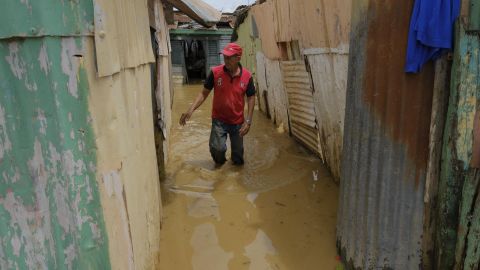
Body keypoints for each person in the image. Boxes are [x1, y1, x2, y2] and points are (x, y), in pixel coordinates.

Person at [179, 43, 256, 166]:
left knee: (238, 159)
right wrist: (191, 110)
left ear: (238, 58)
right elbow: (203, 94)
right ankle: (220, 171)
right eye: (225, 57)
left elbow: (251, 97)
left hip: (237, 122)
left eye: (229, 57)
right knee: (217, 150)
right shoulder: (215, 73)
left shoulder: (247, 77)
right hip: (219, 120)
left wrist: (248, 121)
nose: (226, 60)